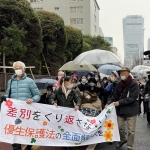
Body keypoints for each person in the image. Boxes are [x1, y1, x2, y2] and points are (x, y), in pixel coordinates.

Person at [4, 61, 41, 150]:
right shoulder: (11, 81)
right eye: (16, 69)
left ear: (24, 69)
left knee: (27, 130)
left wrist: (33, 99)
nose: (18, 70)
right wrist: (4, 98)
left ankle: (29, 145)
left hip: (26, 112)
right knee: (14, 130)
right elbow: (7, 94)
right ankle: (16, 148)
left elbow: (37, 95)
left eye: (19, 68)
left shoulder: (30, 81)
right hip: (14, 111)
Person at [105, 67, 139, 150]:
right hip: (121, 110)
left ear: (128, 73)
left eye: (123, 73)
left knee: (131, 130)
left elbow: (132, 98)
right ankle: (123, 139)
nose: (122, 75)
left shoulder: (134, 84)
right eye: (120, 73)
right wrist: (108, 103)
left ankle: (129, 146)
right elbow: (114, 96)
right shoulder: (119, 84)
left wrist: (119, 102)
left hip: (131, 110)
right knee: (119, 127)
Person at [49, 76, 81, 150]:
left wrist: (78, 105)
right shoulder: (57, 90)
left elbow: (78, 99)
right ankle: (64, 143)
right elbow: (51, 98)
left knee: (70, 127)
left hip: (70, 113)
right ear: (66, 82)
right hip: (61, 113)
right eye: (71, 82)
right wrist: (53, 102)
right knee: (62, 128)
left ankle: (69, 143)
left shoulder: (72, 91)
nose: (72, 83)